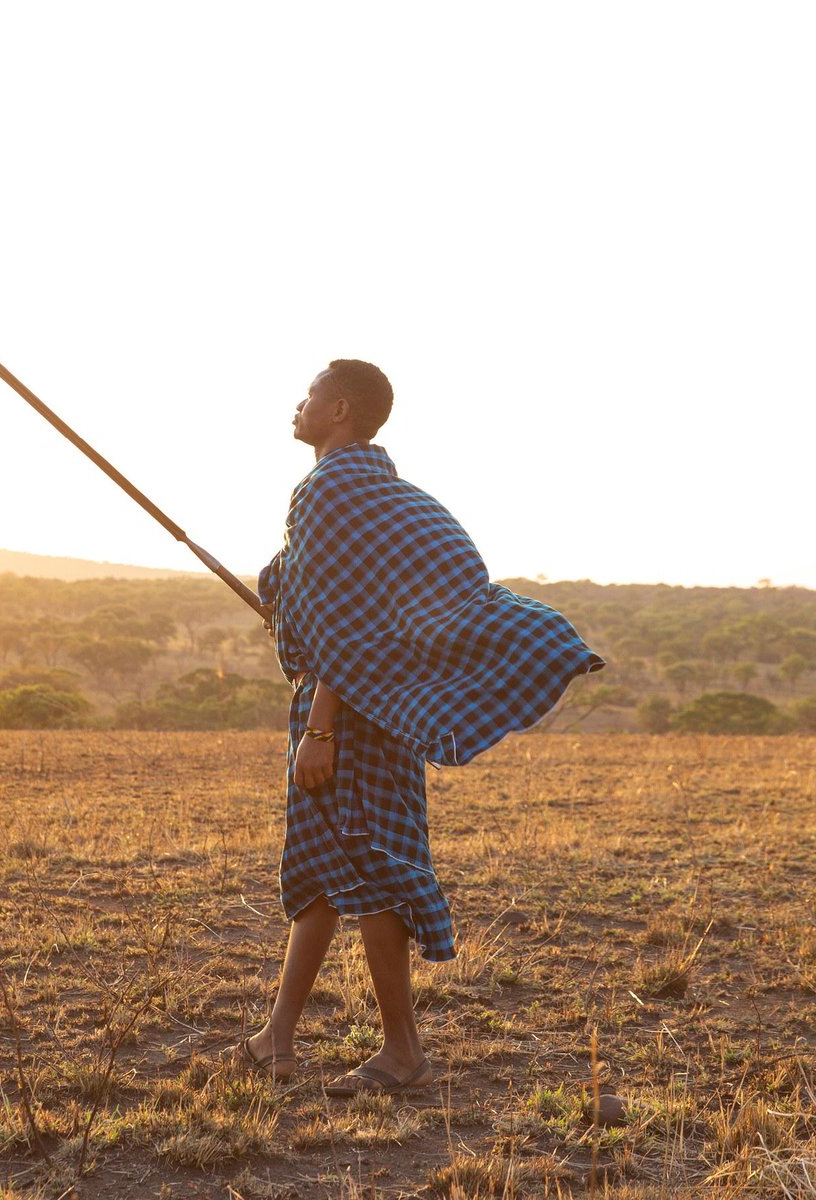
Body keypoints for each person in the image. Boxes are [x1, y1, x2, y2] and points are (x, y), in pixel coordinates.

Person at [238, 360, 604, 1096]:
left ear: (338, 409)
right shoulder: (388, 496)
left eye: (309, 395)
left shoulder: (328, 491)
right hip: (369, 703)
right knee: (319, 867)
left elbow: (347, 629)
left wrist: (323, 728)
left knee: (373, 870)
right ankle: (276, 1037)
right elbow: (338, 604)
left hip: (344, 714)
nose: (297, 405)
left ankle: (403, 1052)